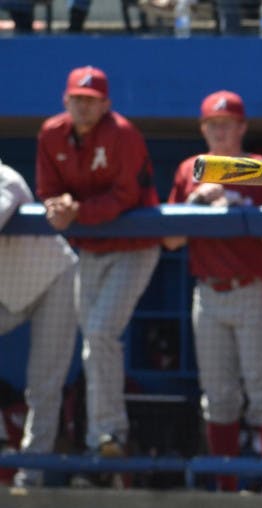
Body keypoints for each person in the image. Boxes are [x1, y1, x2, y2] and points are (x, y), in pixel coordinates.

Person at [165, 90, 262, 493]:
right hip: (207, 294)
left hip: (254, 289)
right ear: (203, 128)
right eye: (213, 124)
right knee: (218, 397)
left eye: (228, 124)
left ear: (242, 128)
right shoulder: (191, 168)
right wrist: (193, 204)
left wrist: (246, 211)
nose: (220, 131)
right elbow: (169, 240)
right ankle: (226, 491)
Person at [36, 65, 161, 472]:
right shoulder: (51, 133)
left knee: (101, 333)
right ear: (65, 99)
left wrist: (77, 213)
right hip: (89, 249)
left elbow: (126, 196)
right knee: (93, 342)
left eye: (91, 100)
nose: (83, 106)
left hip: (133, 246)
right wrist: (56, 205)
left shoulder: (123, 134)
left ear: (105, 104)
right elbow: (47, 189)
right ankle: (100, 437)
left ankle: (108, 433)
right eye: (77, 99)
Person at [0, 159, 78, 488]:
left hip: (53, 281)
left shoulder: (6, 177)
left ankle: (30, 476)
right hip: (7, 293)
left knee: (44, 384)